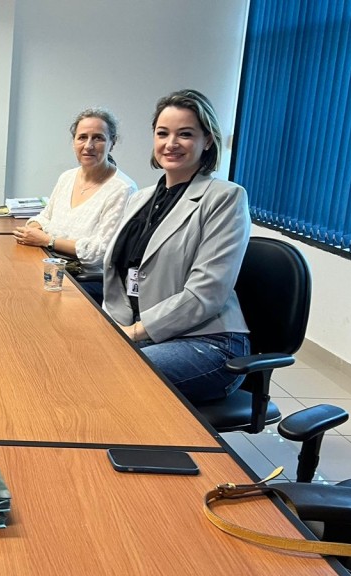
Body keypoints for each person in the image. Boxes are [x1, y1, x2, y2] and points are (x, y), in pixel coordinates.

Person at [102, 89, 250, 405]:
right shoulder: (140, 198)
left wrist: (135, 332)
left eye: (185, 134)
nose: (171, 143)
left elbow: (206, 293)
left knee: (114, 376)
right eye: (163, 133)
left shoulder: (225, 198)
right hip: (145, 331)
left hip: (207, 341)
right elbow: (122, 274)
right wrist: (112, 329)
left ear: (207, 140)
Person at [12, 108, 137, 303]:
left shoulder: (122, 189)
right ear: (74, 142)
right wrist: (33, 228)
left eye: (98, 138)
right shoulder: (67, 177)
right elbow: (45, 216)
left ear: (112, 143)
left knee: (24, 300)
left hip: (86, 279)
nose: (88, 146)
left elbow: (99, 252)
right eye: (82, 137)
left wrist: (48, 240)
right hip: (51, 266)